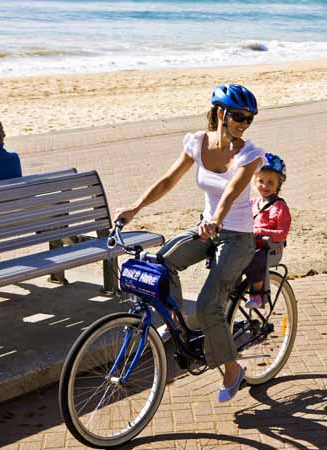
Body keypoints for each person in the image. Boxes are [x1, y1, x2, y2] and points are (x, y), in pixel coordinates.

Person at [114, 84, 264, 403]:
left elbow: (231, 193)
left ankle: (232, 370)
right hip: (206, 230)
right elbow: (168, 180)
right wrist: (135, 208)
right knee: (160, 264)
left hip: (236, 236)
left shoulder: (251, 154)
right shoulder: (196, 143)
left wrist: (217, 219)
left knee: (210, 304)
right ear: (219, 113)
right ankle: (178, 322)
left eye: (249, 118)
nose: (244, 123)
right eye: (238, 116)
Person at [243, 153, 291, 309]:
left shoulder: (279, 207)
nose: (265, 186)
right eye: (261, 181)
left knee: (255, 260)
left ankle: (257, 294)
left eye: (270, 182)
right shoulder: (252, 203)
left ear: (278, 185)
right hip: (250, 243)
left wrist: (261, 230)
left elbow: (282, 234)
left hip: (269, 248)